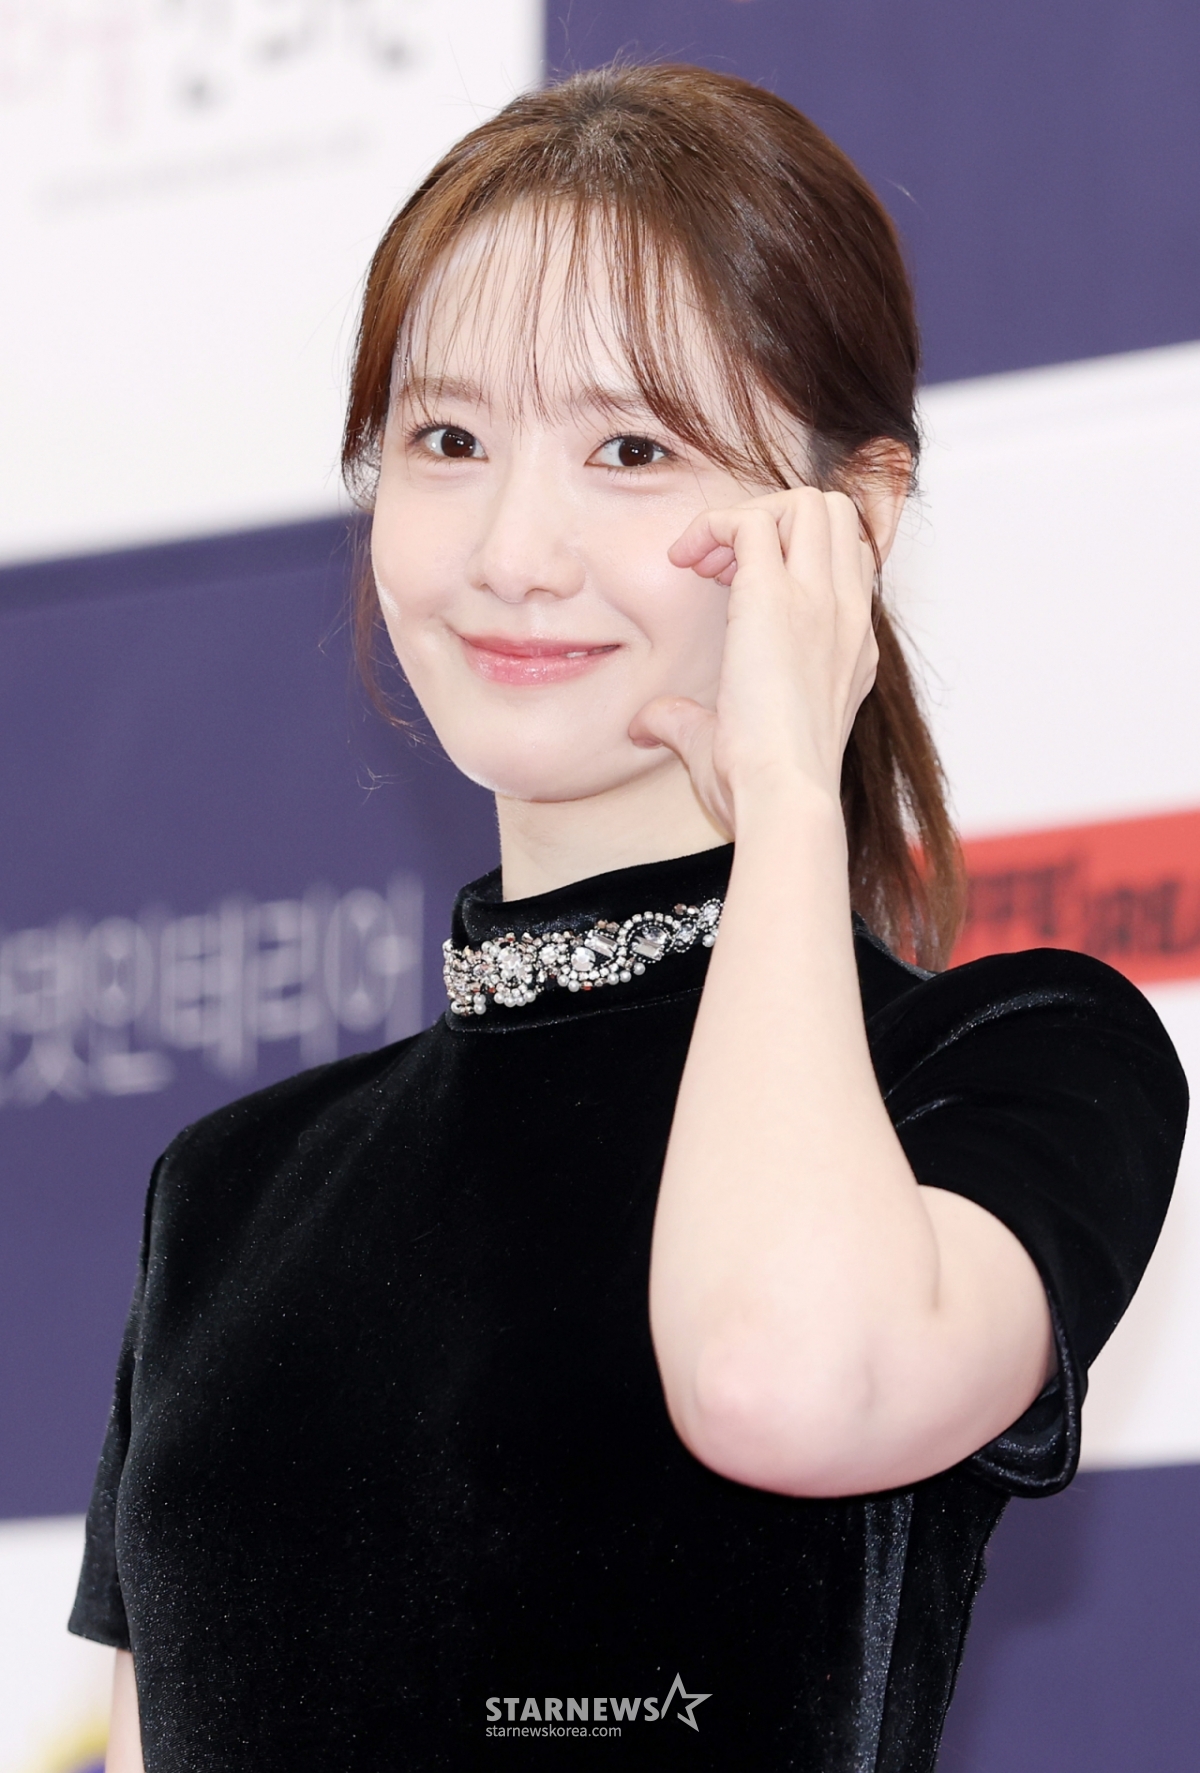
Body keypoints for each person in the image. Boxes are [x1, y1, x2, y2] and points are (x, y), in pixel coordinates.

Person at [72, 63, 1186, 1772]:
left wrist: (788, 792)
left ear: (852, 517)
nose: (514, 550)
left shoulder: (1015, 1063)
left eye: (632, 449)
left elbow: (781, 1381)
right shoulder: (227, 1191)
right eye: (449, 441)